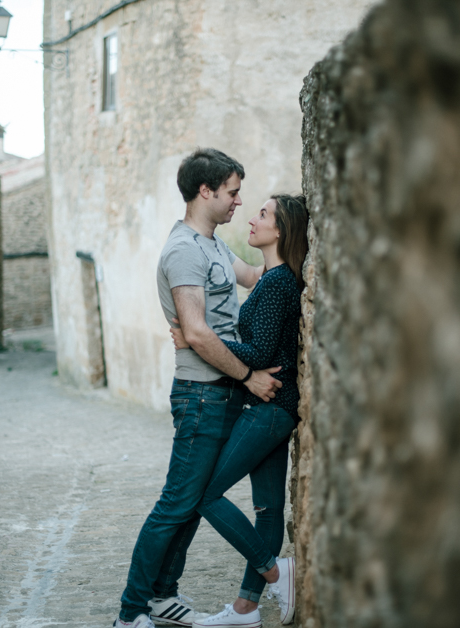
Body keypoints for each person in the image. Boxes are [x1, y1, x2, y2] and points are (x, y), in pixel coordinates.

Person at [114, 149, 283, 628]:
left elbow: (255, 276)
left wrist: (287, 249)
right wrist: (248, 375)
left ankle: (163, 595)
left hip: (222, 393)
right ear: (205, 191)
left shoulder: (213, 245)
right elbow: (198, 331)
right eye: (232, 192)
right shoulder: (185, 250)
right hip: (202, 396)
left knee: (189, 504)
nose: (237, 202)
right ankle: (130, 613)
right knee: (175, 505)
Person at [171, 194, 308, 628]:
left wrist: (199, 340)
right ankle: (246, 610)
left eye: (263, 215)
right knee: (267, 510)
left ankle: (273, 571)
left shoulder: (278, 283)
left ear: (282, 231)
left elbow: (259, 352)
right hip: (275, 408)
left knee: (205, 494)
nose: (252, 219)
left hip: (266, 410)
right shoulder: (274, 278)